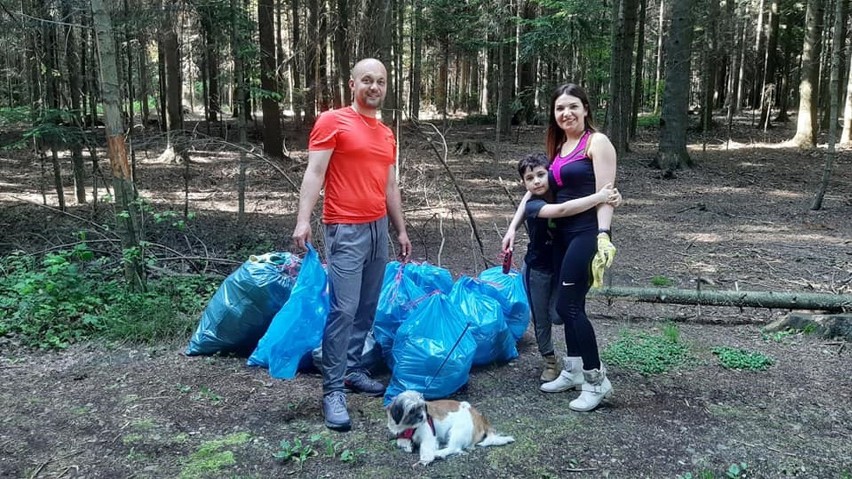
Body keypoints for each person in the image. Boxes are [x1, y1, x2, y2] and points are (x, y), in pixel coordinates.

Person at [292, 58, 412, 432]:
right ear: (352, 84)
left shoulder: (387, 134)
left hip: (378, 228)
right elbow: (315, 172)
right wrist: (302, 219)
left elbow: (390, 187)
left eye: (380, 81)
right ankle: (332, 391)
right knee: (343, 310)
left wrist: (401, 230)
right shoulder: (333, 121)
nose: (373, 87)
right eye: (366, 81)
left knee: (366, 306)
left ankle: (353, 369)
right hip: (344, 228)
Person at [502, 83, 618, 412]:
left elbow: (607, 193)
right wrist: (512, 226)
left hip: (586, 233)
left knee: (569, 307)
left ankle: (597, 381)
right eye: (559, 108)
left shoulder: (597, 142)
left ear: (585, 109)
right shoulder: (559, 147)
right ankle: (575, 370)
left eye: (572, 107)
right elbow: (533, 192)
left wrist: (604, 233)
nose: (566, 113)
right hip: (562, 237)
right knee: (569, 307)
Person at [510, 153, 621, 385]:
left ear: (551, 173)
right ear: (524, 184)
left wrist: (611, 198)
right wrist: (599, 196)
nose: (537, 181)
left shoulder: (562, 192)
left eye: (541, 174)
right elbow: (561, 211)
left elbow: (583, 207)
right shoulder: (533, 204)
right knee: (541, 319)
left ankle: (579, 363)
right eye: (530, 178)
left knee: (559, 314)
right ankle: (550, 361)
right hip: (538, 269)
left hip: (563, 265)